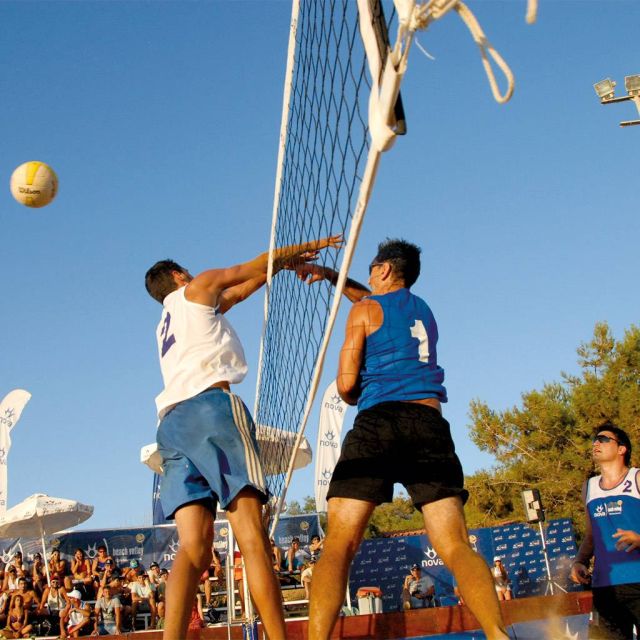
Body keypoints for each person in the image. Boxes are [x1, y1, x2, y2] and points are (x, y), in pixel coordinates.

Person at [297, 239, 509, 640]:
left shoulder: (363, 311)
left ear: (383, 270)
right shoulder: (423, 311)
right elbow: (375, 305)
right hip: (429, 425)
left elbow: (345, 386)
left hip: (379, 420)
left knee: (339, 543)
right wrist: (330, 277)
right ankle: (498, 634)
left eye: (372, 268)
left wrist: (356, 388)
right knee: (455, 544)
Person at [144, 234, 342, 640]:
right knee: (252, 535)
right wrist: (296, 251)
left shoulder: (167, 322)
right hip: (212, 410)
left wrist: (279, 269)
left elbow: (238, 292)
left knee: (193, 549)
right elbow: (249, 267)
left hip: (171, 426)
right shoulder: (197, 289)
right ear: (180, 275)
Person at [570, 423, 640, 639]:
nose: (596, 443)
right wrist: (580, 561)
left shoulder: (636, 478)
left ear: (622, 449)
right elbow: (592, 534)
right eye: (595, 440)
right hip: (606, 585)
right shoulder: (589, 487)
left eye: (604, 439)